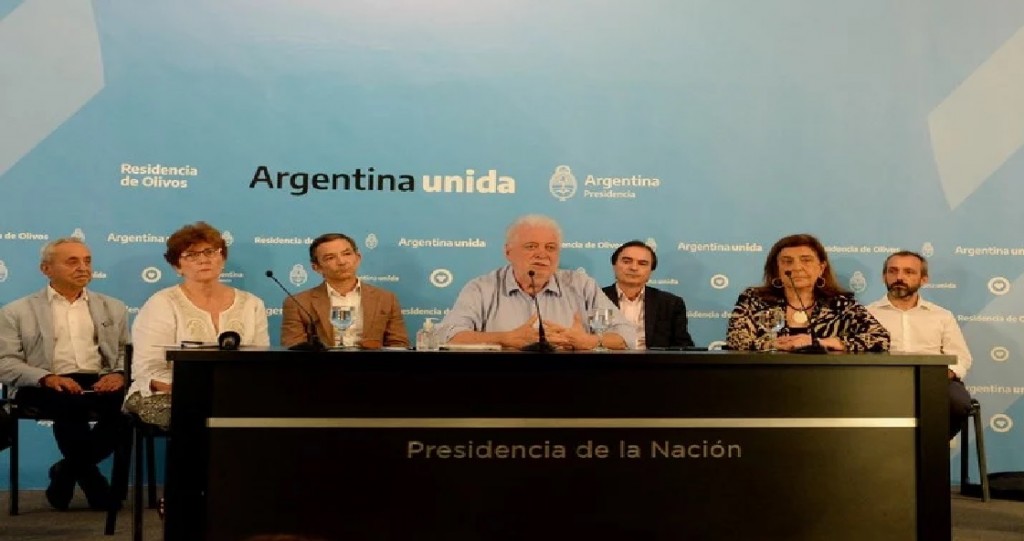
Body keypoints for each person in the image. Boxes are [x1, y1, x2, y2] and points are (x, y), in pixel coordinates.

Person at [0, 238, 129, 510]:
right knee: (69, 405)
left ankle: (66, 470)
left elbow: (124, 352)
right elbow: (5, 362)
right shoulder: (16, 312)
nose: (83, 267)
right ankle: (94, 484)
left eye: (87, 261)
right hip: (41, 382)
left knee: (126, 408)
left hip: (98, 379)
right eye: (72, 261)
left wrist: (119, 373)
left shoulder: (113, 307)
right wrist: (46, 378)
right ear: (46, 269)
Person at [126, 222, 269, 429]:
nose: (203, 259)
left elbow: (260, 362)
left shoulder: (252, 304)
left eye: (209, 252)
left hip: (233, 393)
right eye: (191, 255)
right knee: (194, 413)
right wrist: (196, 392)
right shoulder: (162, 303)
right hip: (166, 393)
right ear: (177, 266)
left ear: (222, 258)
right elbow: (149, 369)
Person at [439, 214, 634, 350]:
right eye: (531, 246)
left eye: (550, 248)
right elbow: (448, 335)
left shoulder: (581, 285)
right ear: (508, 252)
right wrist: (505, 338)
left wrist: (590, 341)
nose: (542, 254)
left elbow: (626, 334)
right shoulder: (482, 288)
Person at [867, 251, 973, 438]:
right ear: (884, 277)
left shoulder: (941, 316)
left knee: (957, 402)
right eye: (893, 271)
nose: (899, 277)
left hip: (934, 381)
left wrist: (942, 375)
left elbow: (961, 357)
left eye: (909, 272)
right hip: (881, 381)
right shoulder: (865, 314)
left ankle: (930, 447)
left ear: (923, 279)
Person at [726, 233, 889, 352]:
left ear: (821, 268)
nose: (797, 267)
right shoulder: (754, 299)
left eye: (806, 260)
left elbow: (880, 337)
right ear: (776, 270)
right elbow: (736, 340)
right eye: (787, 261)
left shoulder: (840, 303)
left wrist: (822, 342)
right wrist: (772, 344)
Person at [280, 233, 409, 349]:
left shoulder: (386, 299)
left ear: (357, 258)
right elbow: (294, 347)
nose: (341, 262)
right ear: (317, 267)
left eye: (347, 254)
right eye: (330, 258)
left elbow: (399, 344)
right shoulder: (298, 303)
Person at [601, 240, 693, 349]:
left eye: (642, 263)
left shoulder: (670, 304)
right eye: (626, 261)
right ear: (614, 265)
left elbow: (683, 347)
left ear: (651, 271)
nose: (634, 268)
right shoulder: (594, 298)